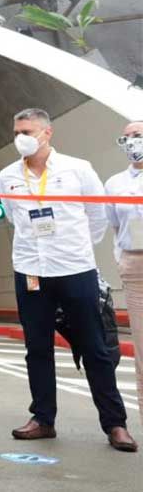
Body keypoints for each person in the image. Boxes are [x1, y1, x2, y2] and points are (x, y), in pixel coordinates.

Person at [0, 108, 136, 452]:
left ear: (47, 133)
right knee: (37, 347)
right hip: (31, 269)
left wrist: (75, 249)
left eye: (27, 131)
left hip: (75, 268)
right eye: (17, 131)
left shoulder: (78, 169)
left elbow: (97, 216)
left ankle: (115, 423)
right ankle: (43, 418)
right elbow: (14, 217)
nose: (20, 138)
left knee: (94, 347)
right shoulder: (7, 175)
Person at [105, 121, 143, 426]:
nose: (132, 142)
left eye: (138, 136)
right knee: (142, 347)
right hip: (135, 265)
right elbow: (114, 226)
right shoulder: (115, 183)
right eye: (127, 137)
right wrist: (120, 260)